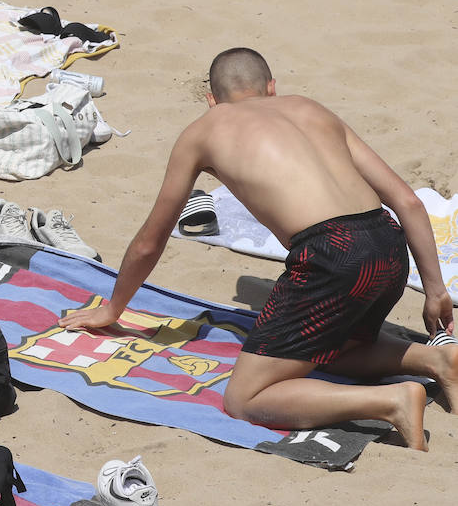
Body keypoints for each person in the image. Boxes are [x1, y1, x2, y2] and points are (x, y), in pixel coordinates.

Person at [60, 48, 458, 451]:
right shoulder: (308, 108)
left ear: (211, 99)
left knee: (244, 399)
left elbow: (151, 241)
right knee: (329, 349)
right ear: (271, 88)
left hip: (330, 254)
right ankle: (436, 360)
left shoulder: (204, 130)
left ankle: (391, 401)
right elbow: (407, 202)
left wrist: (114, 308)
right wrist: (435, 290)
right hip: (387, 242)